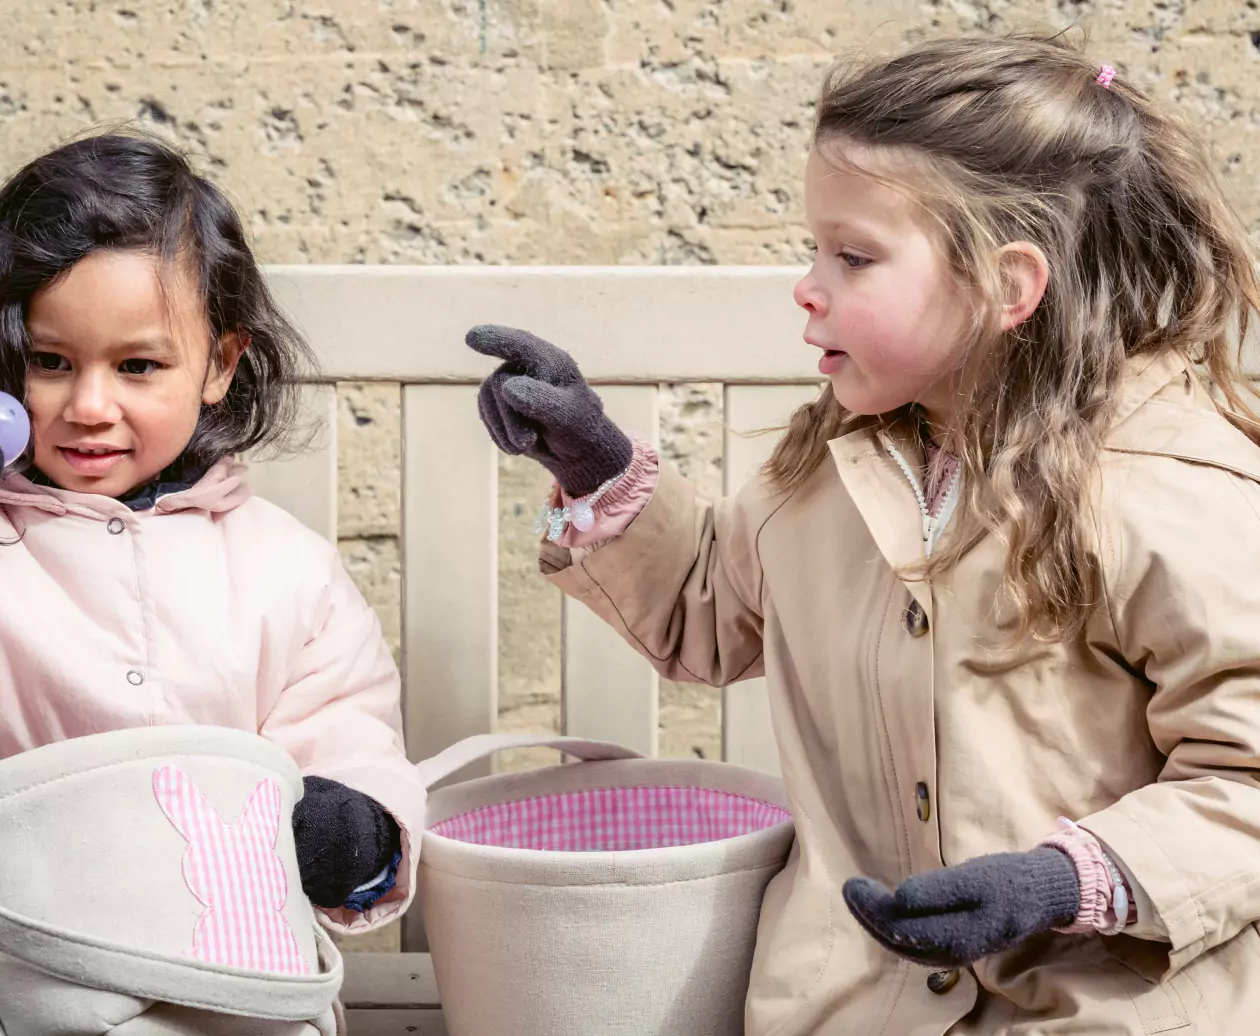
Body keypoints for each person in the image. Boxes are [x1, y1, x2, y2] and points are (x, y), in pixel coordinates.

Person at [467, 34, 1260, 1034]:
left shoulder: (1168, 492)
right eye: (814, 250)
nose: (807, 284)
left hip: (1102, 1006)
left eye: (853, 256)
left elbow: (1246, 777)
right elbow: (707, 616)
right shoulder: (826, 475)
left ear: (1009, 287)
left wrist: (1068, 881)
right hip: (853, 1003)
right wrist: (591, 458)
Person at [0, 132, 424, 1036]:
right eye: (50, 360)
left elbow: (344, 722)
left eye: (138, 365)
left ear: (221, 363)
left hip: (208, 985)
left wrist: (358, 822)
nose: (89, 406)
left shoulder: (284, 566)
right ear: (2, 353)